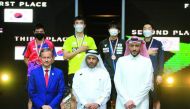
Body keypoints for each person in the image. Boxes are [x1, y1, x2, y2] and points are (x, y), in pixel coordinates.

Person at [62, 16, 97, 109]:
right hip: (73, 72)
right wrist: (80, 50)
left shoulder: (90, 40)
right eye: (77, 23)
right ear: (74, 25)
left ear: (84, 25)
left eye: (81, 23)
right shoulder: (69, 40)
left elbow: (94, 57)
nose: (79, 25)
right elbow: (65, 56)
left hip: (88, 72)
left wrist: (73, 52)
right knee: (74, 98)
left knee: (88, 96)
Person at [114, 36, 153, 109]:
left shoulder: (147, 62)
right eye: (132, 46)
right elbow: (117, 81)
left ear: (140, 46)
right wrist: (127, 100)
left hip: (141, 102)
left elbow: (148, 83)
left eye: (137, 46)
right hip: (123, 101)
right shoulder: (121, 61)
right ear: (128, 46)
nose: (134, 48)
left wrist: (135, 101)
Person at [23, 23, 56, 109]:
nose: (39, 33)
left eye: (41, 31)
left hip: (45, 72)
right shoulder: (30, 44)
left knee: (46, 96)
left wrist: (46, 65)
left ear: (44, 32)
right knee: (31, 98)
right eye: (37, 31)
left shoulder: (49, 43)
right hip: (32, 74)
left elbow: (53, 58)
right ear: (34, 32)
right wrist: (31, 67)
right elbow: (25, 58)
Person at [98, 21, 125, 109]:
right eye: (111, 28)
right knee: (107, 97)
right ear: (109, 30)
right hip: (107, 75)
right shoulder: (102, 43)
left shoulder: (123, 43)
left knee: (119, 97)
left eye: (116, 28)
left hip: (121, 75)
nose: (113, 30)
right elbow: (99, 60)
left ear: (119, 31)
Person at [143, 24, 164, 109]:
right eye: (145, 28)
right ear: (142, 31)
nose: (147, 30)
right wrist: (146, 53)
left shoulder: (158, 43)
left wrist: (160, 74)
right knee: (143, 98)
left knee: (156, 98)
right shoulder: (139, 43)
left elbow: (161, 59)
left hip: (154, 75)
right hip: (142, 75)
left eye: (149, 28)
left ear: (152, 31)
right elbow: (134, 57)